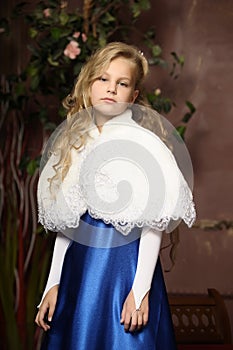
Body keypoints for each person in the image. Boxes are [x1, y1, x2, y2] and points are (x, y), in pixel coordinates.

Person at [35, 42, 196, 349]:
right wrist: (53, 282)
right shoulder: (73, 142)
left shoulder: (142, 144)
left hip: (124, 268)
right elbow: (68, 222)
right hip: (79, 269)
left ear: (133, 96)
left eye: (122, 84)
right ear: (89, 83)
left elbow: (154, 221)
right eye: (103, 79)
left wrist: (141, 289)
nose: (111, 89)